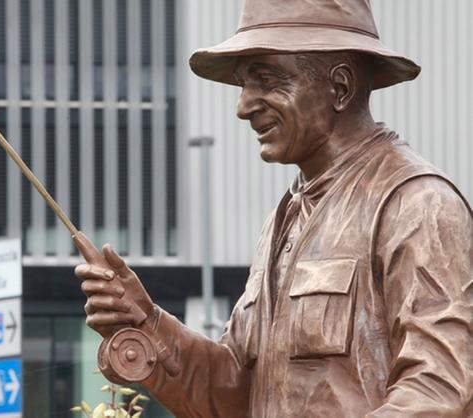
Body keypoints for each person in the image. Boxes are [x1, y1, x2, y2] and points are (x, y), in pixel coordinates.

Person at [75, 0, 473, 416]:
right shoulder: (285, 219)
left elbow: (439, 393)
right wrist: (147, 324)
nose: (244, 106)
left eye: (267, 80)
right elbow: (235, 392)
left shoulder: (418, 205)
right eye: (245, 84)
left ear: (339, 87)